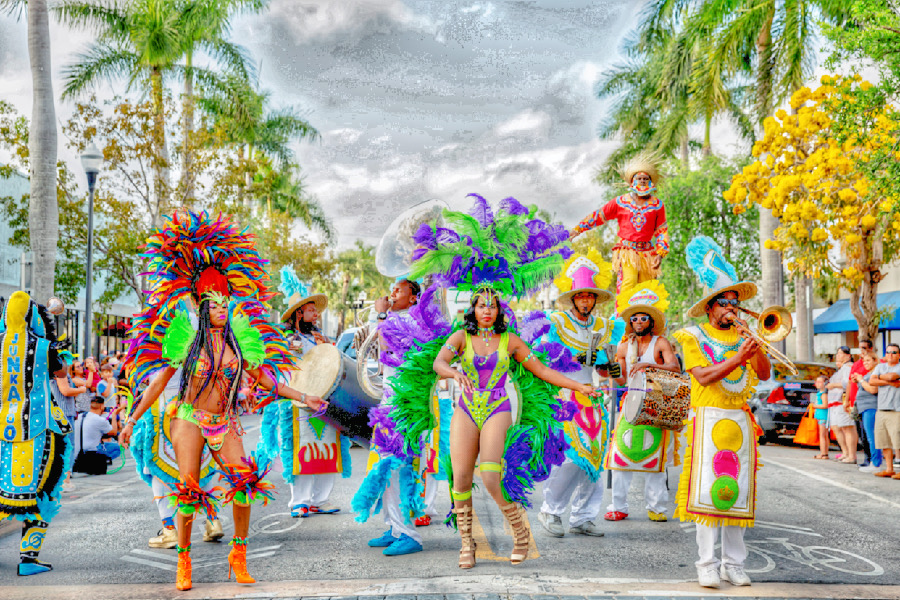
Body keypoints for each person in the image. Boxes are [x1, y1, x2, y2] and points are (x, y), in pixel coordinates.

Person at [378, 194, 596, 570]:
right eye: (481, 305)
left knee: (492, 477)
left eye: (492, 306)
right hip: (465, 407)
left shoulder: (509, 341)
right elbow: (439, 363)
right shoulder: (460, 338)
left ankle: (520, 532)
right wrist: (454, 372)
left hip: (498, 407)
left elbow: (541, 371)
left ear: (499, 311)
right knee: (459, 479)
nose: (486, 310)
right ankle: (467, 545)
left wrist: (579, 386)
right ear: (473, 309)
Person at [120, 210, 327, 592]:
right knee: (189, 490)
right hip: (188, 418)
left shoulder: (239, 341)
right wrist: (132, 418)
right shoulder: (184, 339)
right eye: (214, 304)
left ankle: (239, 554)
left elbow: (265, 380)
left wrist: (304, 395)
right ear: (201, 306)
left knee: (244, 483)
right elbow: (155, 384)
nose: (221, 309)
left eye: (224, 303)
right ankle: (184, 560)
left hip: (224, 419)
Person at [673, 236, 771, 589]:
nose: (732, 308)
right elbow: (703, 375)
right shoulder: (692, 335)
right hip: (707, 419)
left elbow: (764, 374)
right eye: (725, 303)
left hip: (740, 421)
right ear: (711, 307)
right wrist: (739, 357)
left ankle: (734, 563)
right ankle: (706, 563)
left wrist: (756, 347)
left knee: (736, 492)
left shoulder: (746, 335)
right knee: (705, 493)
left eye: (735, 302)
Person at [538, 250, 621, 537]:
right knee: (572, 457)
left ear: (595, 299)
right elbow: (547, 360)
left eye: (590, 296)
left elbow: (603, 370)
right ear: (573, 298)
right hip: (564, 396)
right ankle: (550, 510)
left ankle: (583, 516)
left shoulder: (604, 327)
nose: (585, 301)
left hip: (593, 397)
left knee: (595, 458)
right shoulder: (557, 322)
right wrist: (578, 360)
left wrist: (608, 368)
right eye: (580, 296)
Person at [258, 265, 349, 519]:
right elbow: (276, 368)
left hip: (323, 401)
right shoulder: (282, 338)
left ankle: (320, 500)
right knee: (299, 450)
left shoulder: (320, 337)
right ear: (298, 313)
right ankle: (300, 501)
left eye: (316, 311)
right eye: (311, 310)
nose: (316, 314)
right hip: (296, 402)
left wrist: (328, 348)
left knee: (327, 449)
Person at [354, 278, 428, 557]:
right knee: (384, 467)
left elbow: (386, 348)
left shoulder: (414, 321)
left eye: (400, 290)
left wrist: (382, 314)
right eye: (392, 288)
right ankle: (395, 528)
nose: (392, 292)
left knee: (396, 468)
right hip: (390, 403)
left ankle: (409, 534)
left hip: (404, 406)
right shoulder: (398, 318)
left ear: (412, 298)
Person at [0, 292, 72, 576]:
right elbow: (62, 373)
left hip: (3, 433)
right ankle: (28, 560)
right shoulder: (44, 347)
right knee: (43, 494)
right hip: (40, 432)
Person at [607, 280, 682, 523]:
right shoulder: (623, 346)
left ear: (651, 321)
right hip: (629, 403)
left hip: (656, 403)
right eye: (635, 319)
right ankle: (618, 506)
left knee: (655, 458)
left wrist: (648, 364)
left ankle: (657, 508)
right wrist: (608, 369)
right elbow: (619, 380)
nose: (639, 322)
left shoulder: (661, 343)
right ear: (631, 322)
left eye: (643, 318)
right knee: (621, 453)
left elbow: (676, 368)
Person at [569, 153, 669, 293]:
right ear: (632, 181)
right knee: (629, 283)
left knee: (648, 289)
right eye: (639, 178)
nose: (642, 181)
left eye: (645, 179)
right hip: (627, 251)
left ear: (651, 182)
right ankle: (623, 314)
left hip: (648, 253)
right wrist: (578, 229)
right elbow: (599, 215)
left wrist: (660, 253)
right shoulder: (620, 202)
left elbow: (661, 231)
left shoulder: (657, 205)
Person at [868, 343, 900, 479]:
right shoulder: (880, 367)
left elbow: (893, 376)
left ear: (899, 355)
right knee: (884, 440)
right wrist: (887, 381)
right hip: (881, 409)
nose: (890, 355)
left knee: (897, 440)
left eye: (893, 352)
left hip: (897, 409)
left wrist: (881, 377)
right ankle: (889, 469)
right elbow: (871, 381)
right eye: (888, 352)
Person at [852, 354, 883, 473]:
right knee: (868, 437)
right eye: (864, 361)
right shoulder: (868, 374)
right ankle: (873, 462)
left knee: (872, 437)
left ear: (876, 361)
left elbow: (873, 389)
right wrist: (858, 381)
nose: (865, 363)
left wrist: (860, 380)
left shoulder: (876, 374)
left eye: (868, 360)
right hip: (864, 408)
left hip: (871, 407)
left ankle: (876, 463)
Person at [826, 346, 856, 464]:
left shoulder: (848, 367)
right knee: (837, 428)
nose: (838, 355)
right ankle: (845, 452)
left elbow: (847, 383)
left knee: (847, 427)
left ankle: (851, 454)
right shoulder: (842, 368)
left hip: (842, 400)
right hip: (834, 402)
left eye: (840, 353)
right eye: (837, 353)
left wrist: (833, 385)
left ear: (848, 356)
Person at [811, 375, 831, 460]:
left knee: (822, 435)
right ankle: (824, 452)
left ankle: (824, 453)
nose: (817, 384)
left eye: (820, 382)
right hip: (821, 416)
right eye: (817, 382)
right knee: (824, 435)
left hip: (823, 416)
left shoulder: (824, 394)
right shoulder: (820, 393)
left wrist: (814, 405)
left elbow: (825, 405)